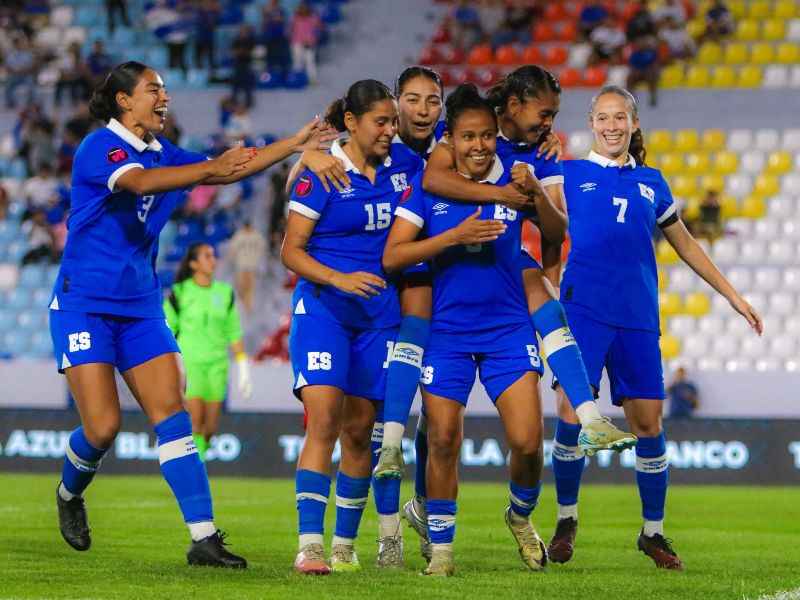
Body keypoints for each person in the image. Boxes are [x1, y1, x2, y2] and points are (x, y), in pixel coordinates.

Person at [49, 60, 331, 568]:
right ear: (123, 101)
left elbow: (229, 168)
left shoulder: (163, 153)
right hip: (83, 306)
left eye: (165, 90)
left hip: (139, 308)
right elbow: (140, 183)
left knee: (173, 418)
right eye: (153, 89)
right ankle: (69, 495)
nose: (164, 98)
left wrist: (292, 145)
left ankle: (203, 538)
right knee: (103, 428)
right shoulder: (100, 148)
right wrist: (210, 168)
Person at [545, 85, 762, 570]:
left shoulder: (652, 182)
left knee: (648, 423)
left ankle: (653, 532)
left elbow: (685, 244)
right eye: (602, 117)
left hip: (639, 318)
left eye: (619, 117)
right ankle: (566, 519)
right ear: (592, 123)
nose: (611, 126)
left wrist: (732, 294)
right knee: (570, 410)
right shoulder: (569, 173)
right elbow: (535, 213)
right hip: (583, 310)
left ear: (634, 123)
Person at [383, 83, 550, 576]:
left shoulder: (517, 181)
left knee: (527, 442)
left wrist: (537, 195)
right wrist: (454, 237)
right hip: (447, 334)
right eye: (468, 137)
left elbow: (559, 233)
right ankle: (442, 552)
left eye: (487, 136)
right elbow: (392, 256)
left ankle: (519, 517)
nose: (479, 146)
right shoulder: (428, 190)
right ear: (449, 141)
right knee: (443, 440)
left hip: (507, 330)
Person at [281, 79, 424, 575]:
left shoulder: (406, 167)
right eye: (380, 122)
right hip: (323, 312)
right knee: (324, 422)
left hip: (379, 319)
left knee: (362, 433)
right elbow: (290, 251)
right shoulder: (320, 173)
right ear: (352, 122)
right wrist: (340, 278)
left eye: (392, 122)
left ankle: (344, 545)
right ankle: (309, 546)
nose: (390, 131)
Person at [164, 243, 251, 462]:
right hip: (190, 364)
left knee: (210, 427)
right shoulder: (180, 293)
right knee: (195, 423)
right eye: (207, 256)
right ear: (193, 264)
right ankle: (195, 477)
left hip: (218, 365)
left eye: (213, 255)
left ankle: (196, 463)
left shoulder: (225, 293)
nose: (213, 260)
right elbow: (166, 332)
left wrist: (243, 369)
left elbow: (234, 332)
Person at [227, 221, 267, 313]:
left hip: (252, 265)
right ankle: (243, 303)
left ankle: (248, 307)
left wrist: (258, 258)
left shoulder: (256, 235)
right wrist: (233, 259)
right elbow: (232, 248)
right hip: (241, 265)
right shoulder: (239, 235)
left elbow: (262, 247)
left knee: (250, 287)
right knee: (241, 286)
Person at [290, 2, 322, 84]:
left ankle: (312, 79)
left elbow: (319, 28)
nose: (303, 9)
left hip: (309, 43)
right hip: (297, 42)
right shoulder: (295, 17)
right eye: (301, 8)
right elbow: (290, 29)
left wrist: (312, 39)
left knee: (310, 61)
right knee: (297, 61)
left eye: (305, 8)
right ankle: (297, 79)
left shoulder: (313, 18)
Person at [269, 162, 290, 253]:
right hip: (282, 205)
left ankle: (276, 246)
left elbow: (271, 190)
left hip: (278, 204)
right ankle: (276, 246)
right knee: (278, 225)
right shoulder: (285, 178)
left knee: (277, 226)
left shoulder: (278, 177)